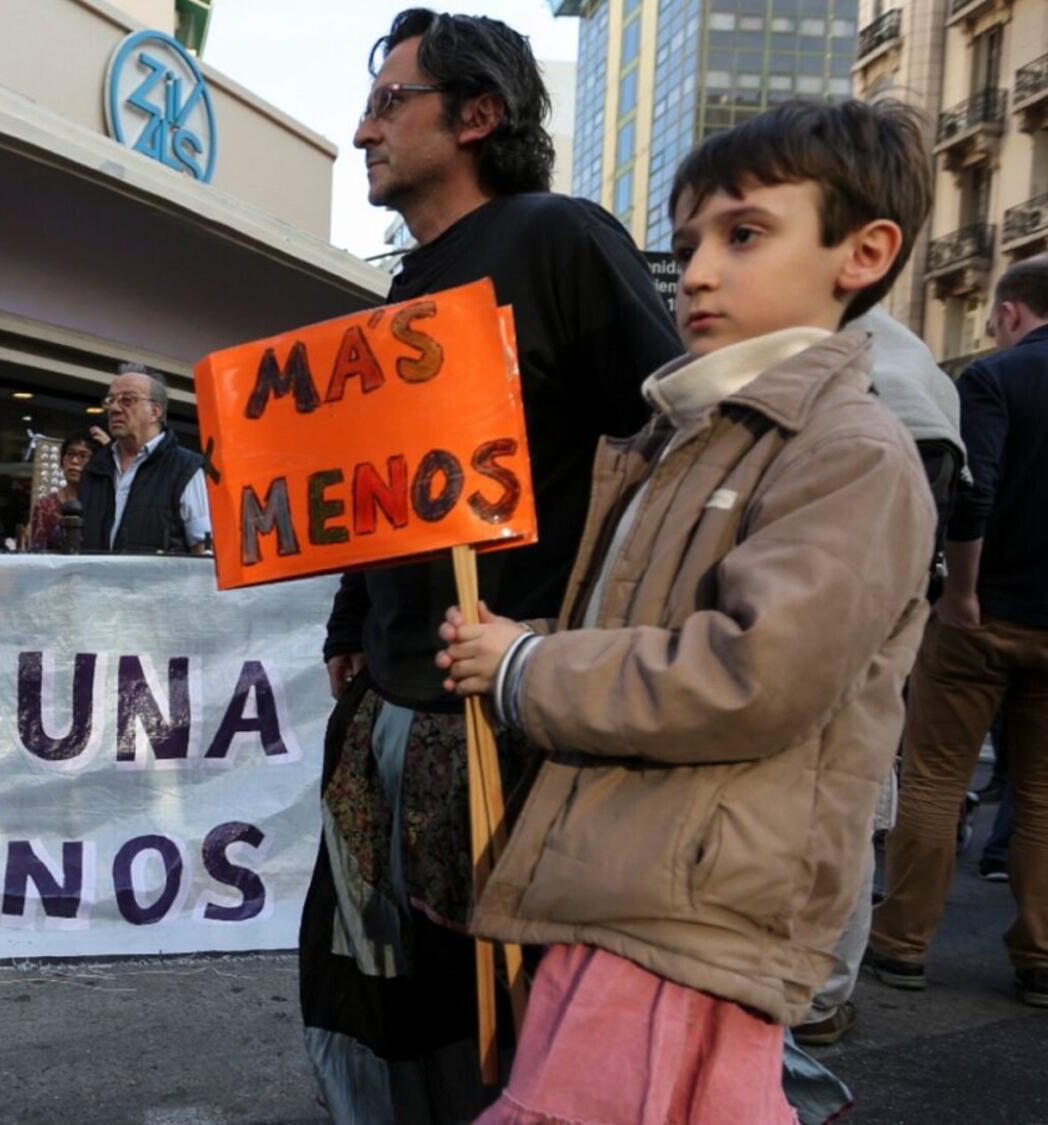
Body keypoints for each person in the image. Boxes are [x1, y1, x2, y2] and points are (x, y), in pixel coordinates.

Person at [439, 98, 937, 1121]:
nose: (698, 270)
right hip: (633, 890)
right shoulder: (690, 432)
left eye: (743, 234)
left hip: (691, 912)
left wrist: (525, 667)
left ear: (863, 252)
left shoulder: (846, 451)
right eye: (687, 242)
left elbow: (752, 675)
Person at [299, 10, 680, 1121]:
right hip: (392, 703)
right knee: (386, 980)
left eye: (388, 102)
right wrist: (348, 628)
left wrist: (575, 647)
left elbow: (667, 438)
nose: (361, 129)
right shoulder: (405, 285)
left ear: (476, 116)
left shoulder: (557, 239)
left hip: (508, 716)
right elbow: (381, 487)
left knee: (510, 994)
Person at [869, 254, 1048, 1010]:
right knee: (1041, 794)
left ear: (1009, 312)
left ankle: (903, 944)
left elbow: (975, 490)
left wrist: (960, 593)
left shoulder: (993, 379)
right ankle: (1040, 954)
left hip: (983, 612)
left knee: (937, 777)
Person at [789, 303, 965, 1049]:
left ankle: (822, 986)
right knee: (851, 797)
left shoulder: (846, 361)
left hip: (821, 604)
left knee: (856, 795)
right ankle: (823, 992)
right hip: (886, 605)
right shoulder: (917, 365)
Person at [76, 364, 210, 553]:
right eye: (110, 400)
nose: (114, 408)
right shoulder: (95, 468)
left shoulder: (186, 468)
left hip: (161, 582)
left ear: (155, 412)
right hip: (94, 582)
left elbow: (202, 547)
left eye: (127, 400)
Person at [27, 437, 92, 551]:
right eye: (70, 454)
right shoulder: (45, 506)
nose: (75, 461)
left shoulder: (100, 505)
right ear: (62, 462)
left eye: (83, 456)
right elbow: (38, 552)